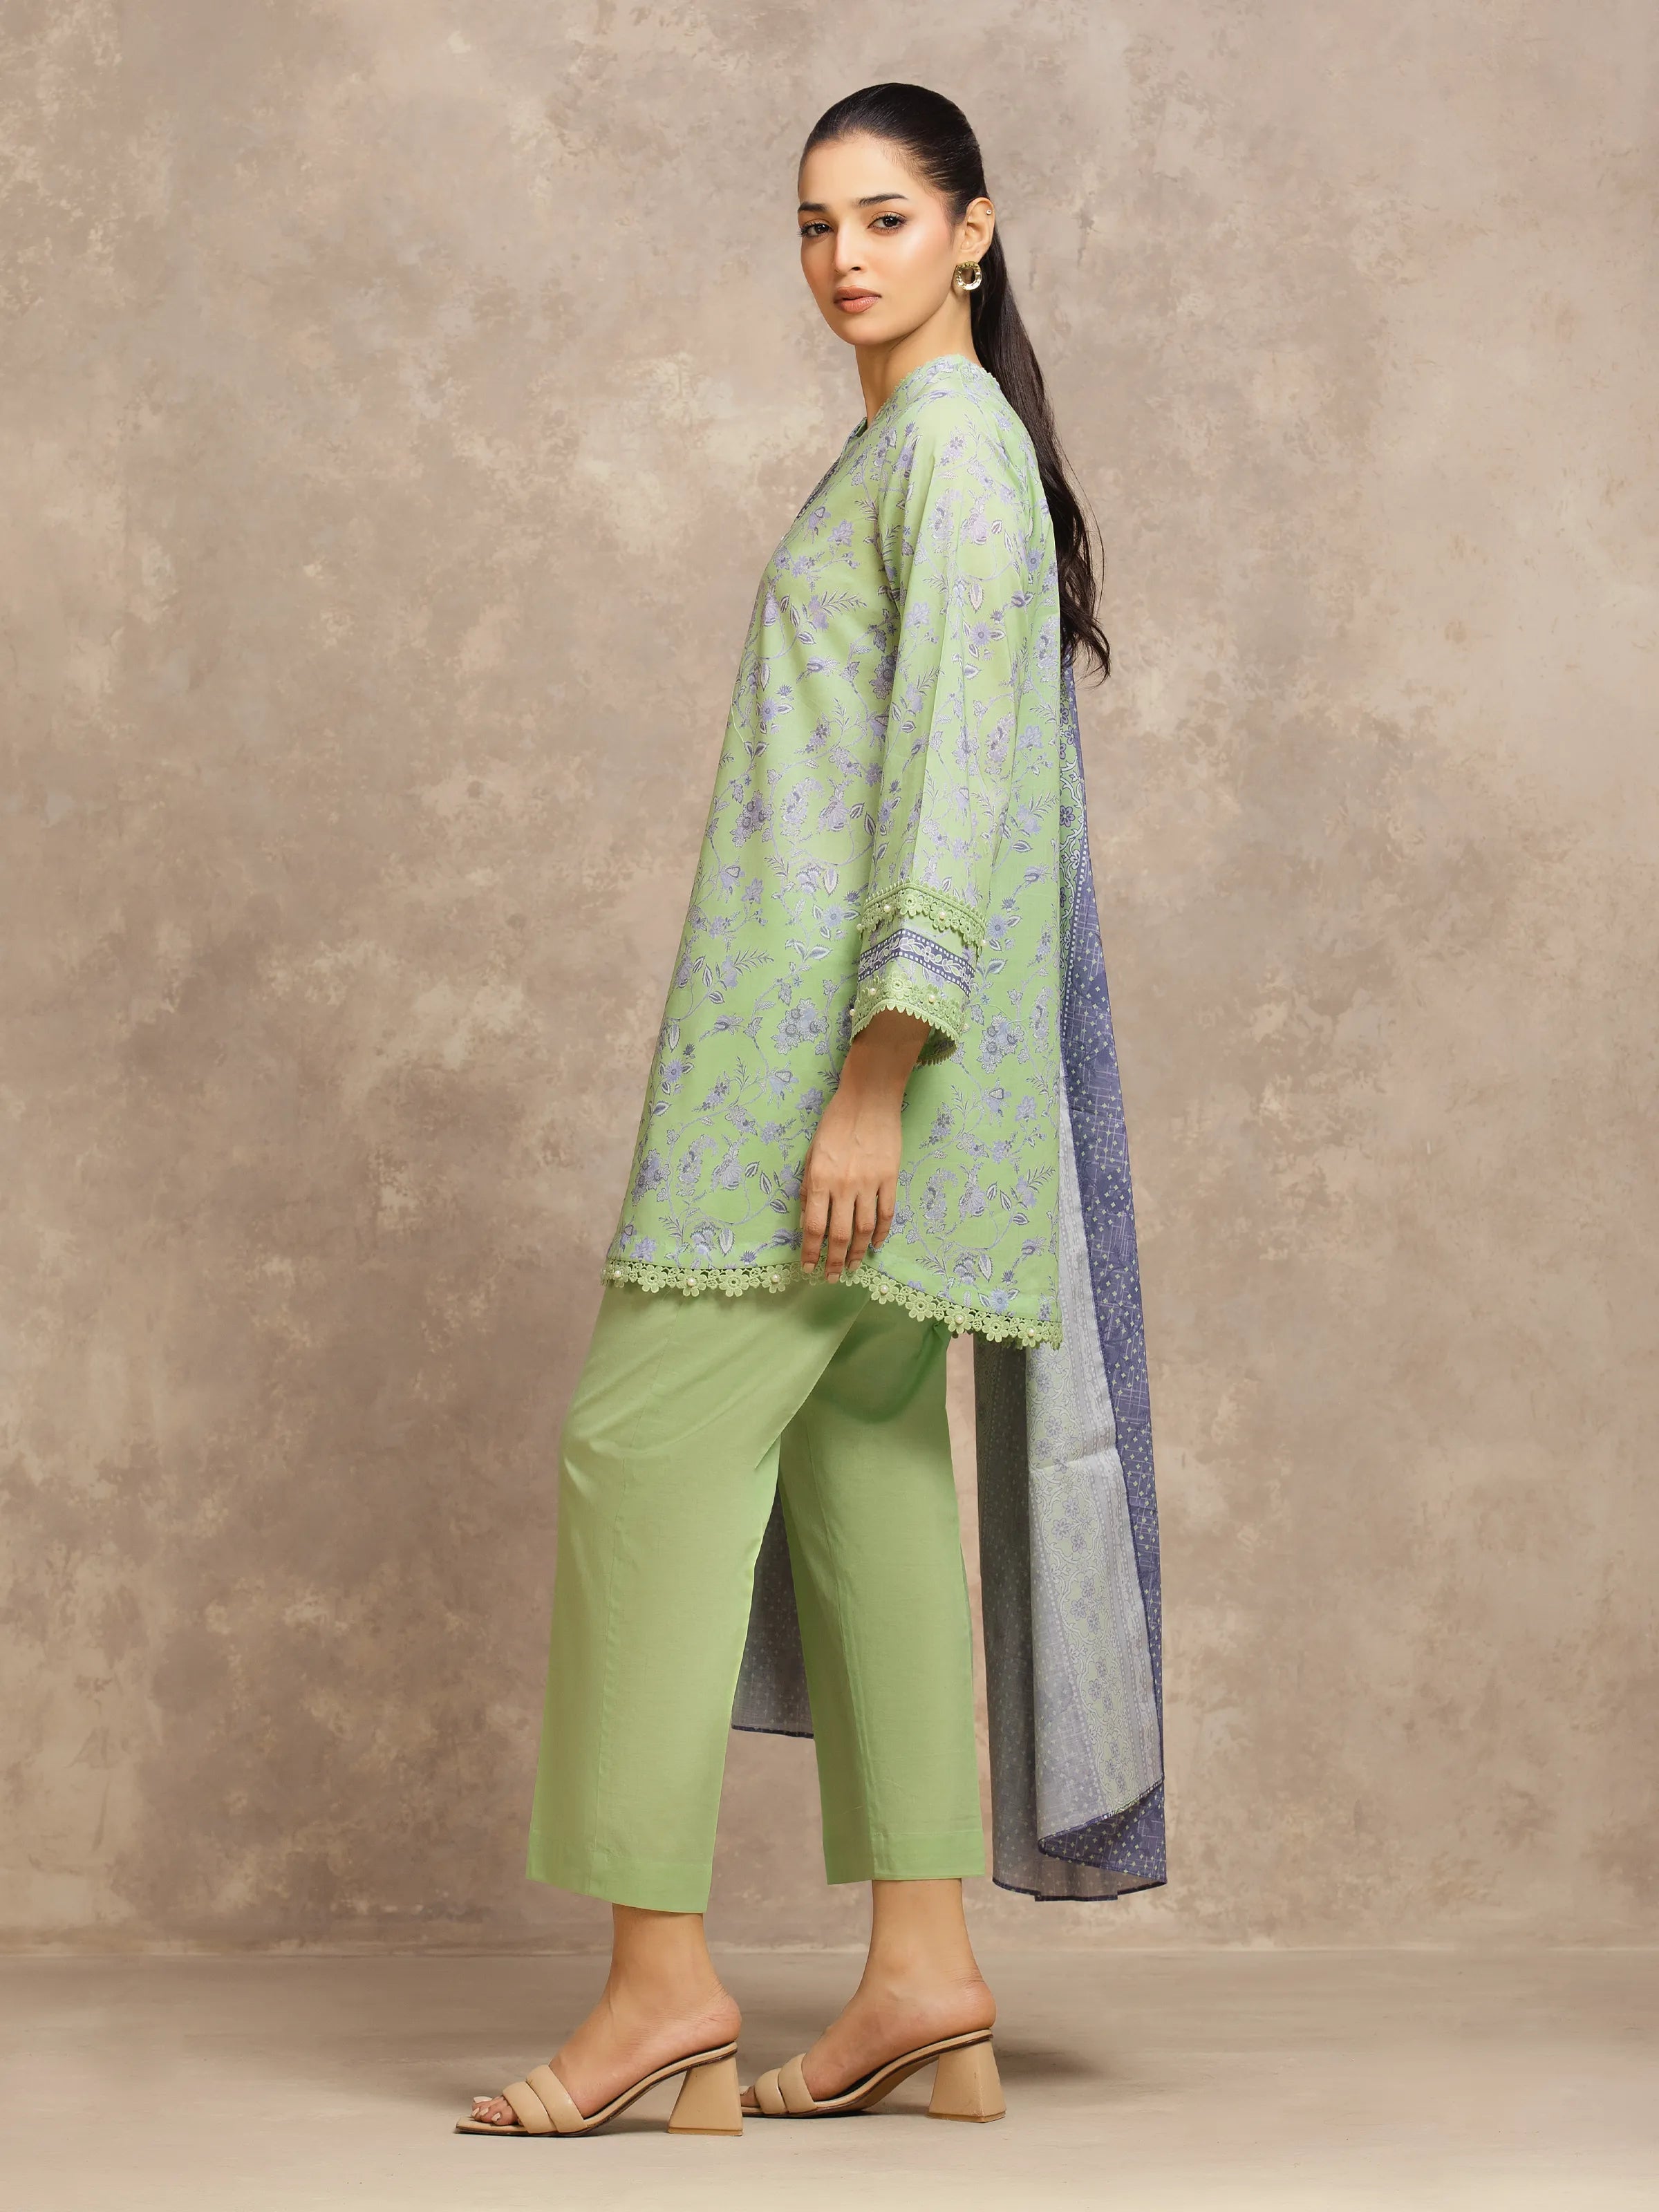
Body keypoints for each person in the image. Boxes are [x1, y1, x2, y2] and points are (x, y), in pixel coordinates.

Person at [458, 80, 1163, 2143]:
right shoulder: (927, 449)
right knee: (867, 1477)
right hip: (864, 1095)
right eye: (811, 225)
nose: (844, 258)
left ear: (975, 232)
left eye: (885, 219)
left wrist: (870, 1082)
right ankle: (925, 1977)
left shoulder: (948, 451)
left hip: (822, 1095)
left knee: (635, 1452)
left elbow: (953, 786)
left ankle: (655, 1990)